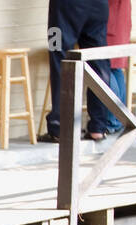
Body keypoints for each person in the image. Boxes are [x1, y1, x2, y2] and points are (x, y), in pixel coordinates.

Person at [39, 0, 115, 143]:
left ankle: (60, 126)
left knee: (59, 58)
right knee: (98, 62)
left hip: (66, 6)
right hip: (99, 6)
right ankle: (98, 127)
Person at [104, 0, 132, 134]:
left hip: (111, 22)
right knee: (115, 69)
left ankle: (112, 120)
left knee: (106, 70)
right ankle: (119, 118)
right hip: (121, 22)